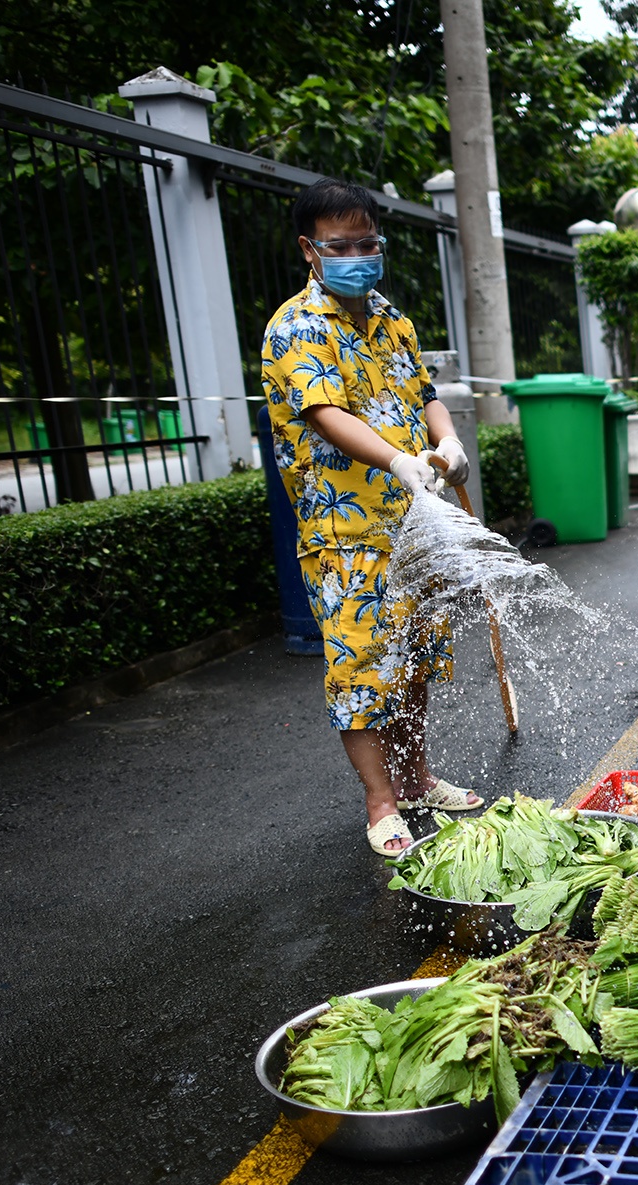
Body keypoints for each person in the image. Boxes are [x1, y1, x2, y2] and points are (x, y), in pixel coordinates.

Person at [261, 178, 485, 856]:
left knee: (416, 660)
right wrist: (395, 460)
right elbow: (326, 414)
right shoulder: (295, 328)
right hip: (346, 537)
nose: (358, 253)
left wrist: (445, 440)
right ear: (310, 248)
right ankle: (380, 800)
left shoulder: (390, 317)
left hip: (416, 526)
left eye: (368, 242)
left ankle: (416, 777)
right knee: (363, 672)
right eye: (342, 244)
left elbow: (425, 394)